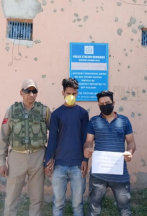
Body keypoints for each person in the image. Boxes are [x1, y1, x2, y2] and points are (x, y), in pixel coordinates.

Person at [0, 79, 52, 216]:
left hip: (38, 157)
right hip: (17, 157)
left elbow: (54, 134)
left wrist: (50, 157)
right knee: (11, 198)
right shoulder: (11, 111)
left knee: (36, 198)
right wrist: (1, 162)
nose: (31, 94)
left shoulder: (44, 111)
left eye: (34, 91)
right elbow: (3, 137)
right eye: (28, 91)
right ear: (21, 93)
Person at [84, 91, 136, 216]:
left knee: (125, 209)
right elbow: (88, 142)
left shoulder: (124, 121)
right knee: (94, 209)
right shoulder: (94, 121)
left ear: (113, 103)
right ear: (98, 105)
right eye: (101, 104)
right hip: (98, 174)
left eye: (107, 103)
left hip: (120, 174)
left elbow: (131, 142)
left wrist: (129, 152)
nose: (104, 105)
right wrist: (87, 149)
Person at [44, 78, 89, 216]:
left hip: (77, 166)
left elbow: (85, 140)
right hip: (59, 166)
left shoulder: (83, 113)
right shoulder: (56, 114)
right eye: (68, 93)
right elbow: (52, 139)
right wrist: (47, 161)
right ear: (63, 93)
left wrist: (85, 161)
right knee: (58, 203)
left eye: (74, 93)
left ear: (77, 94)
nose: (71, 96)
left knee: (77, 205)